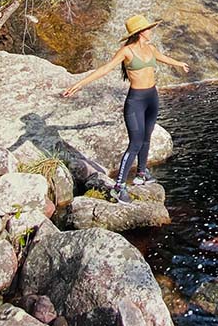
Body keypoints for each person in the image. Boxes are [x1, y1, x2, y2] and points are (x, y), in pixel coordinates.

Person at [62, 14, 189, 203]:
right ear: (140, 33)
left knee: (147, 136)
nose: (151, 31)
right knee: (135, 142)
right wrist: (80, 83)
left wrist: (180, 63)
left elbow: (163, 58)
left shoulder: (150, 48)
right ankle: (119, 187)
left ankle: (141, 173)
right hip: (136, 100)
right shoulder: (126, 51)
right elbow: (105, 69)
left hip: (152, 97)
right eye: (148, 29)